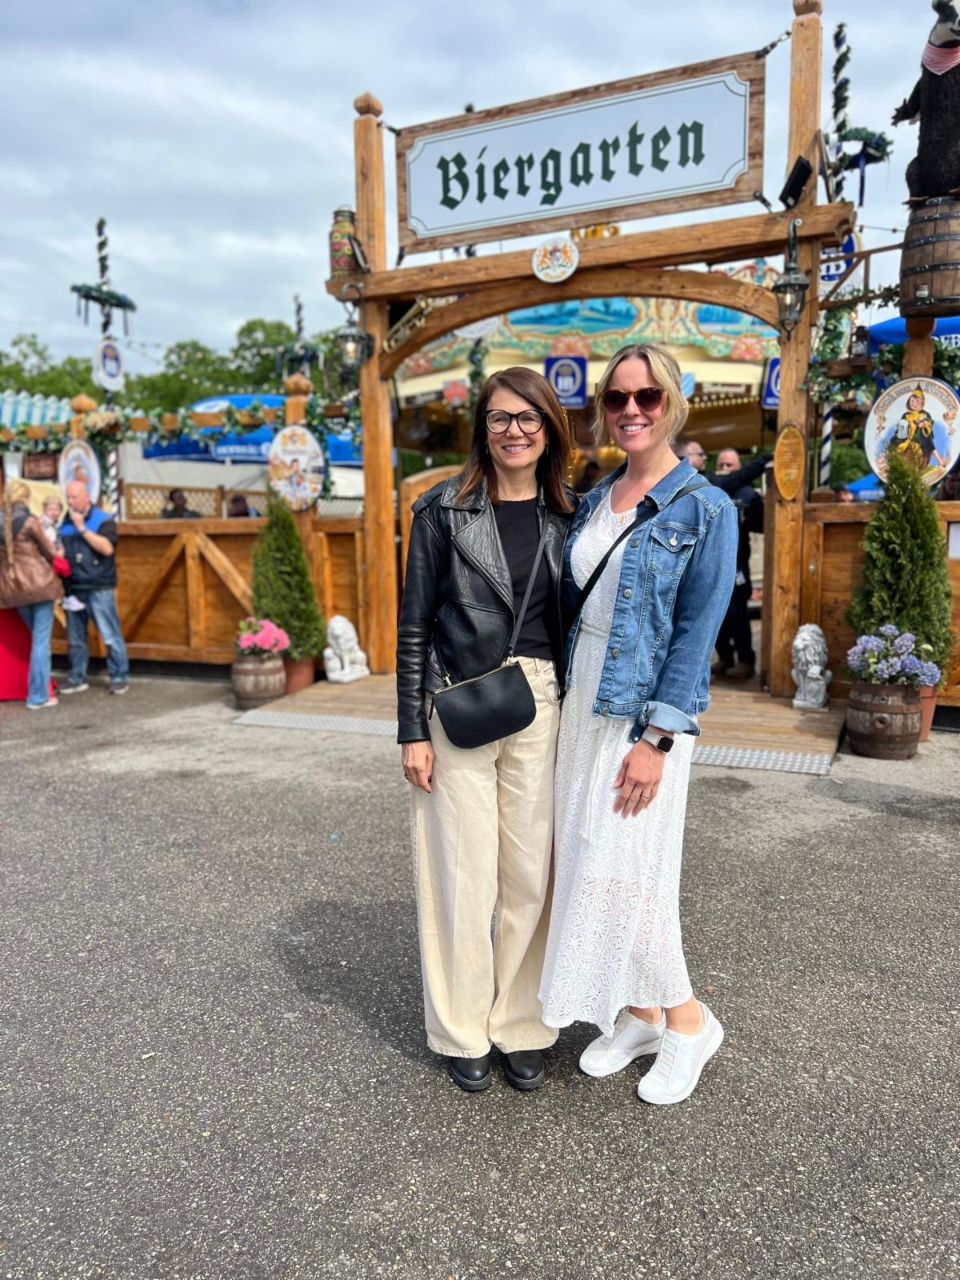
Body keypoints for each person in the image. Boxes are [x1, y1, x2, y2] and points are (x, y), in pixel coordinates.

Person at [539, 343, 738, 1107]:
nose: (631, 411)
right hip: (580, 695)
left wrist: (657, 740)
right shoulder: (597, 497)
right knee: (589, 859)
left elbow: (696, 635)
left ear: (673, 403)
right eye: (617, 398)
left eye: (647, 397)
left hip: (642, 711)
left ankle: (688, 1020)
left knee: (623, 866)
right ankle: (642, 1013)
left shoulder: (706, 507)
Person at [397, 367, 575, 1093]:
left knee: (531, 876)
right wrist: (411, 727)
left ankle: (521, 1023)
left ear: (549, 429)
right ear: (483, 426)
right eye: (501, 418)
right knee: (460, 876)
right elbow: (412, 624)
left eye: (529, 418)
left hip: (542, 700)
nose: (515, 431)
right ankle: (462, 1028)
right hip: (459, 698)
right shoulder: (441, 510)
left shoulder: (573, 513)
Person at [59, 480, 130, 695]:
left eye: (74, 497)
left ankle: (119, 676)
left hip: (99, 585)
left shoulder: (103, 520)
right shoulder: (65, 520)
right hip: (74, 587)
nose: (70, 501)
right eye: (68, 497)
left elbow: (107, 549)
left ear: (86, 497)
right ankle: (77, 677)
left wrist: (82, 528)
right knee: (76, 637)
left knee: (110, 634)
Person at [0, 481, 63, 709]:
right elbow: (49, 552)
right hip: (40, 586)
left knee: (35, 642)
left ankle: (42, 690)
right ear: (25, 498)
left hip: (15, 591)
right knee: (41, 643)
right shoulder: (29, 521)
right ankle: (38, 696)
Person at [710, 448, 763, 680]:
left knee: (738, 614)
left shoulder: (749, 494)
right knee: (715, 616)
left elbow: (763, 523)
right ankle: (724, 658)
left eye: (729, 465)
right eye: (721, 464)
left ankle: (745, 661)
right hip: (711, 564)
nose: (724, 469)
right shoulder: (708, 489)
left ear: (739, 468)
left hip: (738, 563)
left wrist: (745, 519)